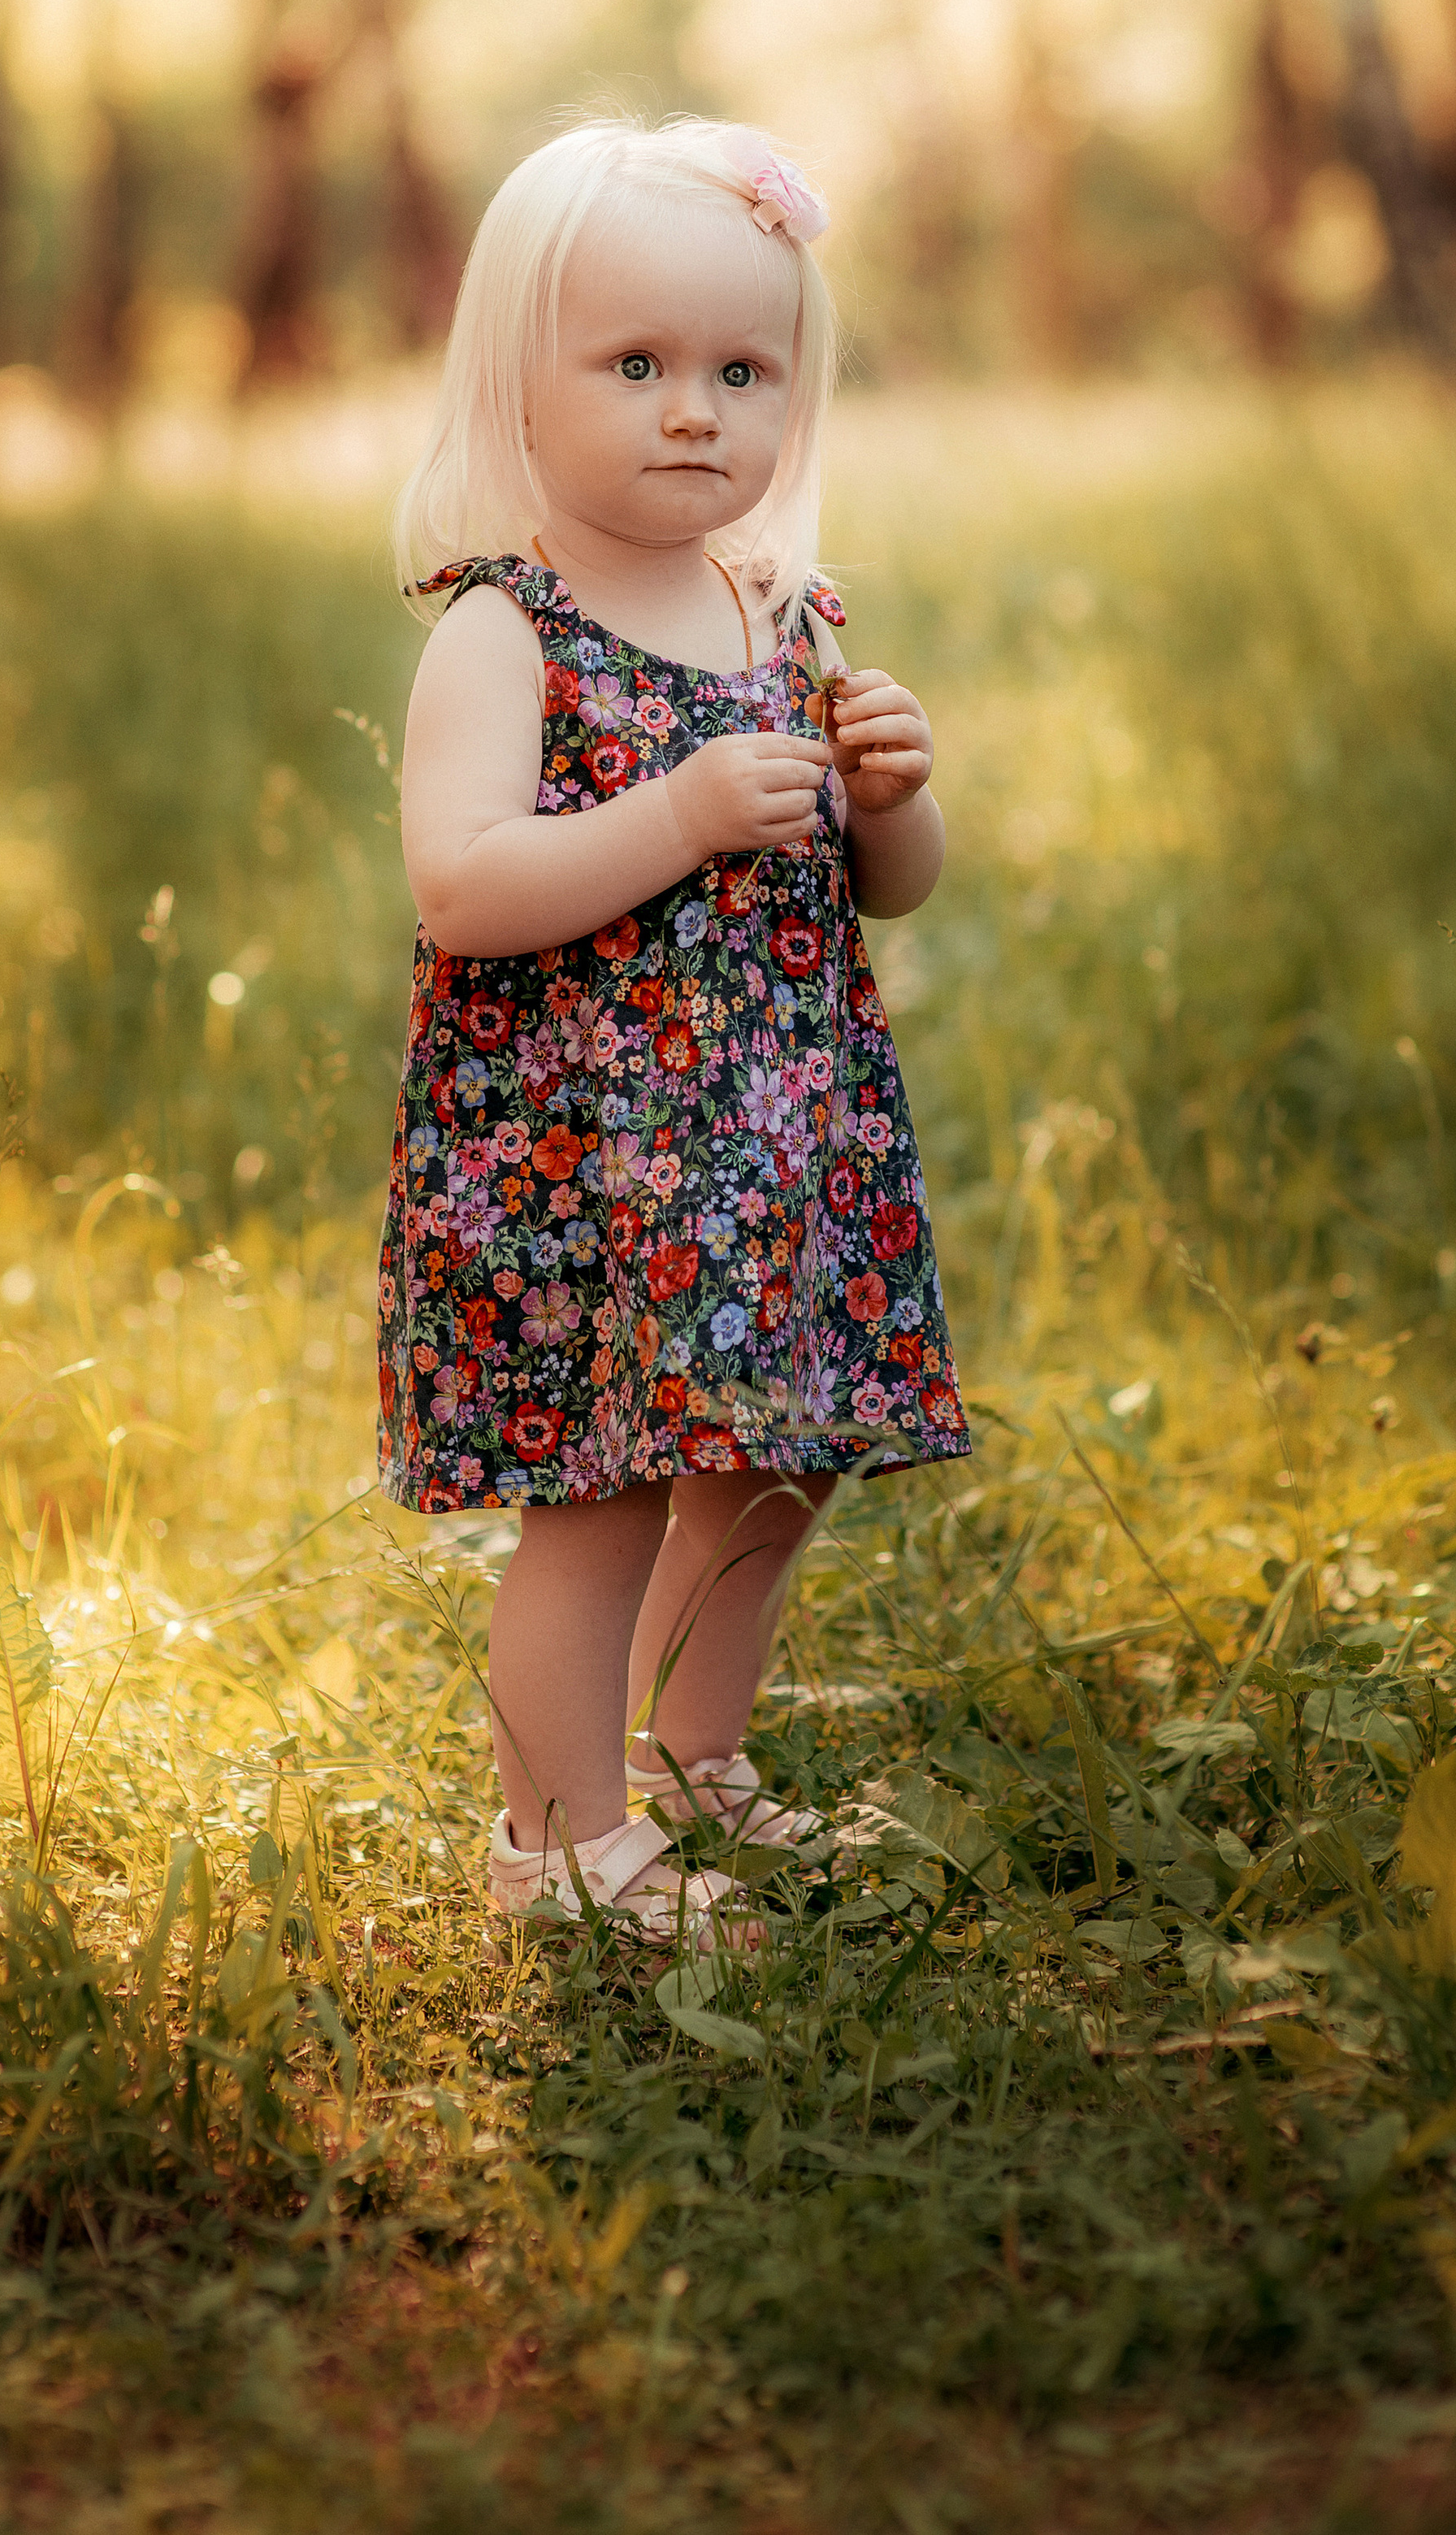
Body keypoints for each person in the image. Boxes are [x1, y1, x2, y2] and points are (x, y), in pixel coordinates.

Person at [379, 115, 968, 1946]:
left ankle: (693, 1756)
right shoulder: (510, 631)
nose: (694, 408)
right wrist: (682, 814)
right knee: (604, 1493)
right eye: (634, 365)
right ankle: (554, 1842)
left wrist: (891, 794)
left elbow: (890, 894)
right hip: (583, 1156)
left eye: (739, 368)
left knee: (772, 1463)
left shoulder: (773, 609)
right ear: (523, 390)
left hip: (772, 1143)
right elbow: (464, 890)